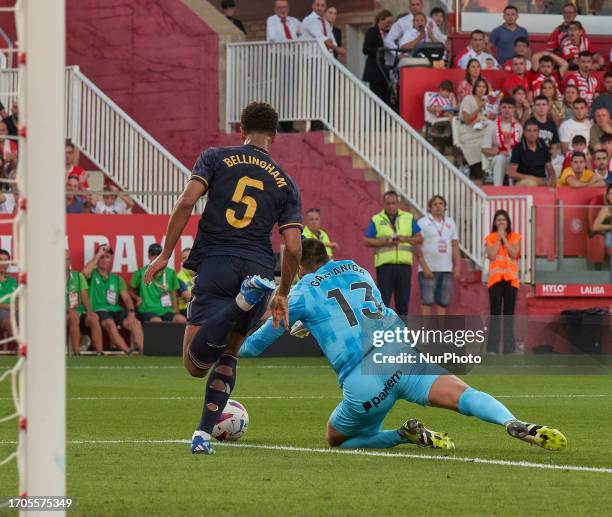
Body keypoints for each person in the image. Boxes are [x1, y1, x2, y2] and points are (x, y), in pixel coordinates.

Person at [240, 238, 567, 452]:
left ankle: (402, 434)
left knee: (336, 438)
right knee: (464, 395)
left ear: (296, 268)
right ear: (327, 255)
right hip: (399, 353)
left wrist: (227, 349)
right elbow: (353, 308)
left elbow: (256, 345)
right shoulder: (358, 268)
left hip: (363, 377)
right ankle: (511, 421)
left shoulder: (299, 292)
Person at [144, 102, 303, 455]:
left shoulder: (216, 157)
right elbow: (293, 247)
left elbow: (187, 202)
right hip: (260, 268)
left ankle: (240, 302)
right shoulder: (287, 182)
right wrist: (282, 292)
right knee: (229, 353)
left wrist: (166, 252)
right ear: (274, 136)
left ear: (240, 129)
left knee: (194, 363)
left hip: (216, 262)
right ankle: (201, 436)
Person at [363, 191, 422, 317]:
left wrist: (406, 239)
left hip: (404, 267)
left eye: (393, 203)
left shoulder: (408, 217)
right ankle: (384, 334)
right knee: (383, 302)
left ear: (398, 203)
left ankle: (402, 334)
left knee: (403, 303)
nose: (391, 206)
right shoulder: (376, 219)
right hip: (385, 267)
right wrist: (383, 242)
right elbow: (367, 240)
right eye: (388, 203)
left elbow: (419, 238)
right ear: (384, 204)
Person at [82, 244, 143, 354]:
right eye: (102, 257)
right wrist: (98, 255)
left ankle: (145, 353)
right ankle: (128, 351)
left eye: (107, 257)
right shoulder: (92, 275)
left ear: (111, 260)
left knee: (135, 322)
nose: (104, 260)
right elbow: (85, 272)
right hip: (99, 310)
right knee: (109, 322)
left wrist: (131, 313)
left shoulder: (116, 278)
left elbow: (127, 298)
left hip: (115, 310)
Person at [416, 196, 460, 316]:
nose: (438, 206)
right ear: (430, 207)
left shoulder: (450, 222)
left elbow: (455, 244)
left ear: (445, 207)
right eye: (435, 204)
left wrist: (457, 266)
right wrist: (424, 267)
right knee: (427, 301)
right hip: (428, 269)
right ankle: (426, 332)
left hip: (446, 269)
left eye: (441, 203)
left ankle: (440, 332)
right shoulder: (423, 222)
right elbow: (417, 246)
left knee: (443, 302)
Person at [485, 210, 520, 354]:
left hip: (511, 281)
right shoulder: (490, 237)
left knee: (509, 314)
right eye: (498, 220)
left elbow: (513, 253)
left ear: (508, 223)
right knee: (495, 314)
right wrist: (499, 239)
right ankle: (492, 349)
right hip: (495, 280)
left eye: (503, 220)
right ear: (494, 222)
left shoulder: (515, 236)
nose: (501, 222)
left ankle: (509, 349)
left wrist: (505, 238)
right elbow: (492, 256)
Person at [129, 243, 186, 324]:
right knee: (157, 322)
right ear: (149, 256)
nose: (155, 257)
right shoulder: (140, 273)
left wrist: (176, 312)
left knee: (182, 320)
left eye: (158, 255)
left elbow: (173, 294)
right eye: (153, 255)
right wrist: (137, 298)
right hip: (147, 309)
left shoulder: (171, 273)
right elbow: (130, 290)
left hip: (166, 310)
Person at [66, 250, 103, 356]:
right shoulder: (51, 277)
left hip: (79, 311)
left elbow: (85, 297)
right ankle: (76, 352)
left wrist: (90, 311)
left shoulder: (78, 276)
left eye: (67, 259)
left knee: (93, 319)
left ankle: (99, 352)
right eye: (63, 260)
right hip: (62, 313)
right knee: (73, 317)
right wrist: (69, 310)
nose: (65, 262)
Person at [482, 97, 523, 186]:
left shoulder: (518, 127)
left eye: (509, 107)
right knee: (501, 159)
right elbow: (484, 149)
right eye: (504, 107)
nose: (507, 110)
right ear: (500, 108)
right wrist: (498, 152)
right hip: (496, 158)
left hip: (513, 159)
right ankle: (498, 188)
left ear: (514, 109)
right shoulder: (491, 126)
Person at [459, 78, 490, 181]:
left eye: (484, 87)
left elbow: (485, 118)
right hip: (468, 131)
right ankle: (477, 169)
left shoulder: (486, 101)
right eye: (479, 87)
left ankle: (488, 169)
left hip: (481, 130)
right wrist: (478, 108)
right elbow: (467, 120)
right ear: (475, 88)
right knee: (485, 141)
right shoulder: (468, 99)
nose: (481, 89)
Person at [508, 119, 556, 186]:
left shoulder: (542, 145)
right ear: (524, 133)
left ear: (538, 133)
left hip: (541, 181)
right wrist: (531, 178)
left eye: (535, 131)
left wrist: (552, 177)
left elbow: (549, 167)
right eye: (529, 131)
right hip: (524, 181)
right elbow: (511, 173)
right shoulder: (518, 147)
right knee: (531, 183)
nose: (532, 134)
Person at [362, 9, 394, 105]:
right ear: (380, 20)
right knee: (377, 100)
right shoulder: (372, 31)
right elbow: (365, 49)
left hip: (385, 70)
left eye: (391, 23)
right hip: (375, 71)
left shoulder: (389, 34)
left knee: (386, 99)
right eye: (388, 22)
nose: (389, 25)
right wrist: (380, 50)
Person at [592, 184, 612, 261]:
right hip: (609, 238)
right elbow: (595, 226)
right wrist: (610, 226)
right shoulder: (605, 210)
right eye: (611, 194)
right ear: (607, 196)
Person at [0, 249, 16, 340]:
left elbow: (19, 300)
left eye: (6, 261)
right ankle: (24, 348)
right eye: (1, 260)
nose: (3, 263)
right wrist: (6, 306)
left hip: (14, 311)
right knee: (9, 321)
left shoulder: (13, 281)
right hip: (2, 313)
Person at [177, 248, 195, 318]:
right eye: (184, 258)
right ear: (181, 261)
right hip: (186, 309)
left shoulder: (202, 274)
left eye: (190, 257)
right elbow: (189, 298)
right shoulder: (179, 277)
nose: (187, 260)